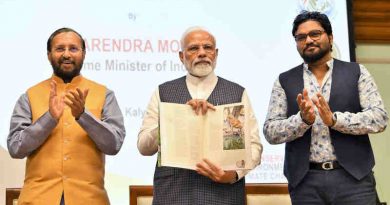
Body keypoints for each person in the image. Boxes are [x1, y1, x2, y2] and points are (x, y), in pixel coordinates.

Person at [263, 11, 388, 205]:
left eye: (315, 34)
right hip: (305, 183)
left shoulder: (357, 72)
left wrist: (335, 120)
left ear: (330, 38)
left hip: (354, 180)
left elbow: (379, 119)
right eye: (301, 37)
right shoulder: (284, 80)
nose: (308, 40)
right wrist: (302, 120)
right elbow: (271, 132)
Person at [137, 27, 262, 204]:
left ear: (216, 53)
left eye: (208, 47)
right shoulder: (163, 92)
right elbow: (143, 147)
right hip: (173, 195)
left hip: (223, 196)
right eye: (194, 48)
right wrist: (173, 119)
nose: (202, 53)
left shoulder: (237, 93)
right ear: (181, 56)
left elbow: (254, 146)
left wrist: (234, 174)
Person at [7, 28, 126, 205]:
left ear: (84, 54)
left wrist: (83, 116)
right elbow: (15, 148)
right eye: (60, 49)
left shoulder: (104, 94)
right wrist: (49, 119)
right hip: (38, 199)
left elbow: (114, 145)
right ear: (49, 55)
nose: (67, 54)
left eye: (73, 48)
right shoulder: (29, 96)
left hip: (89, 199)